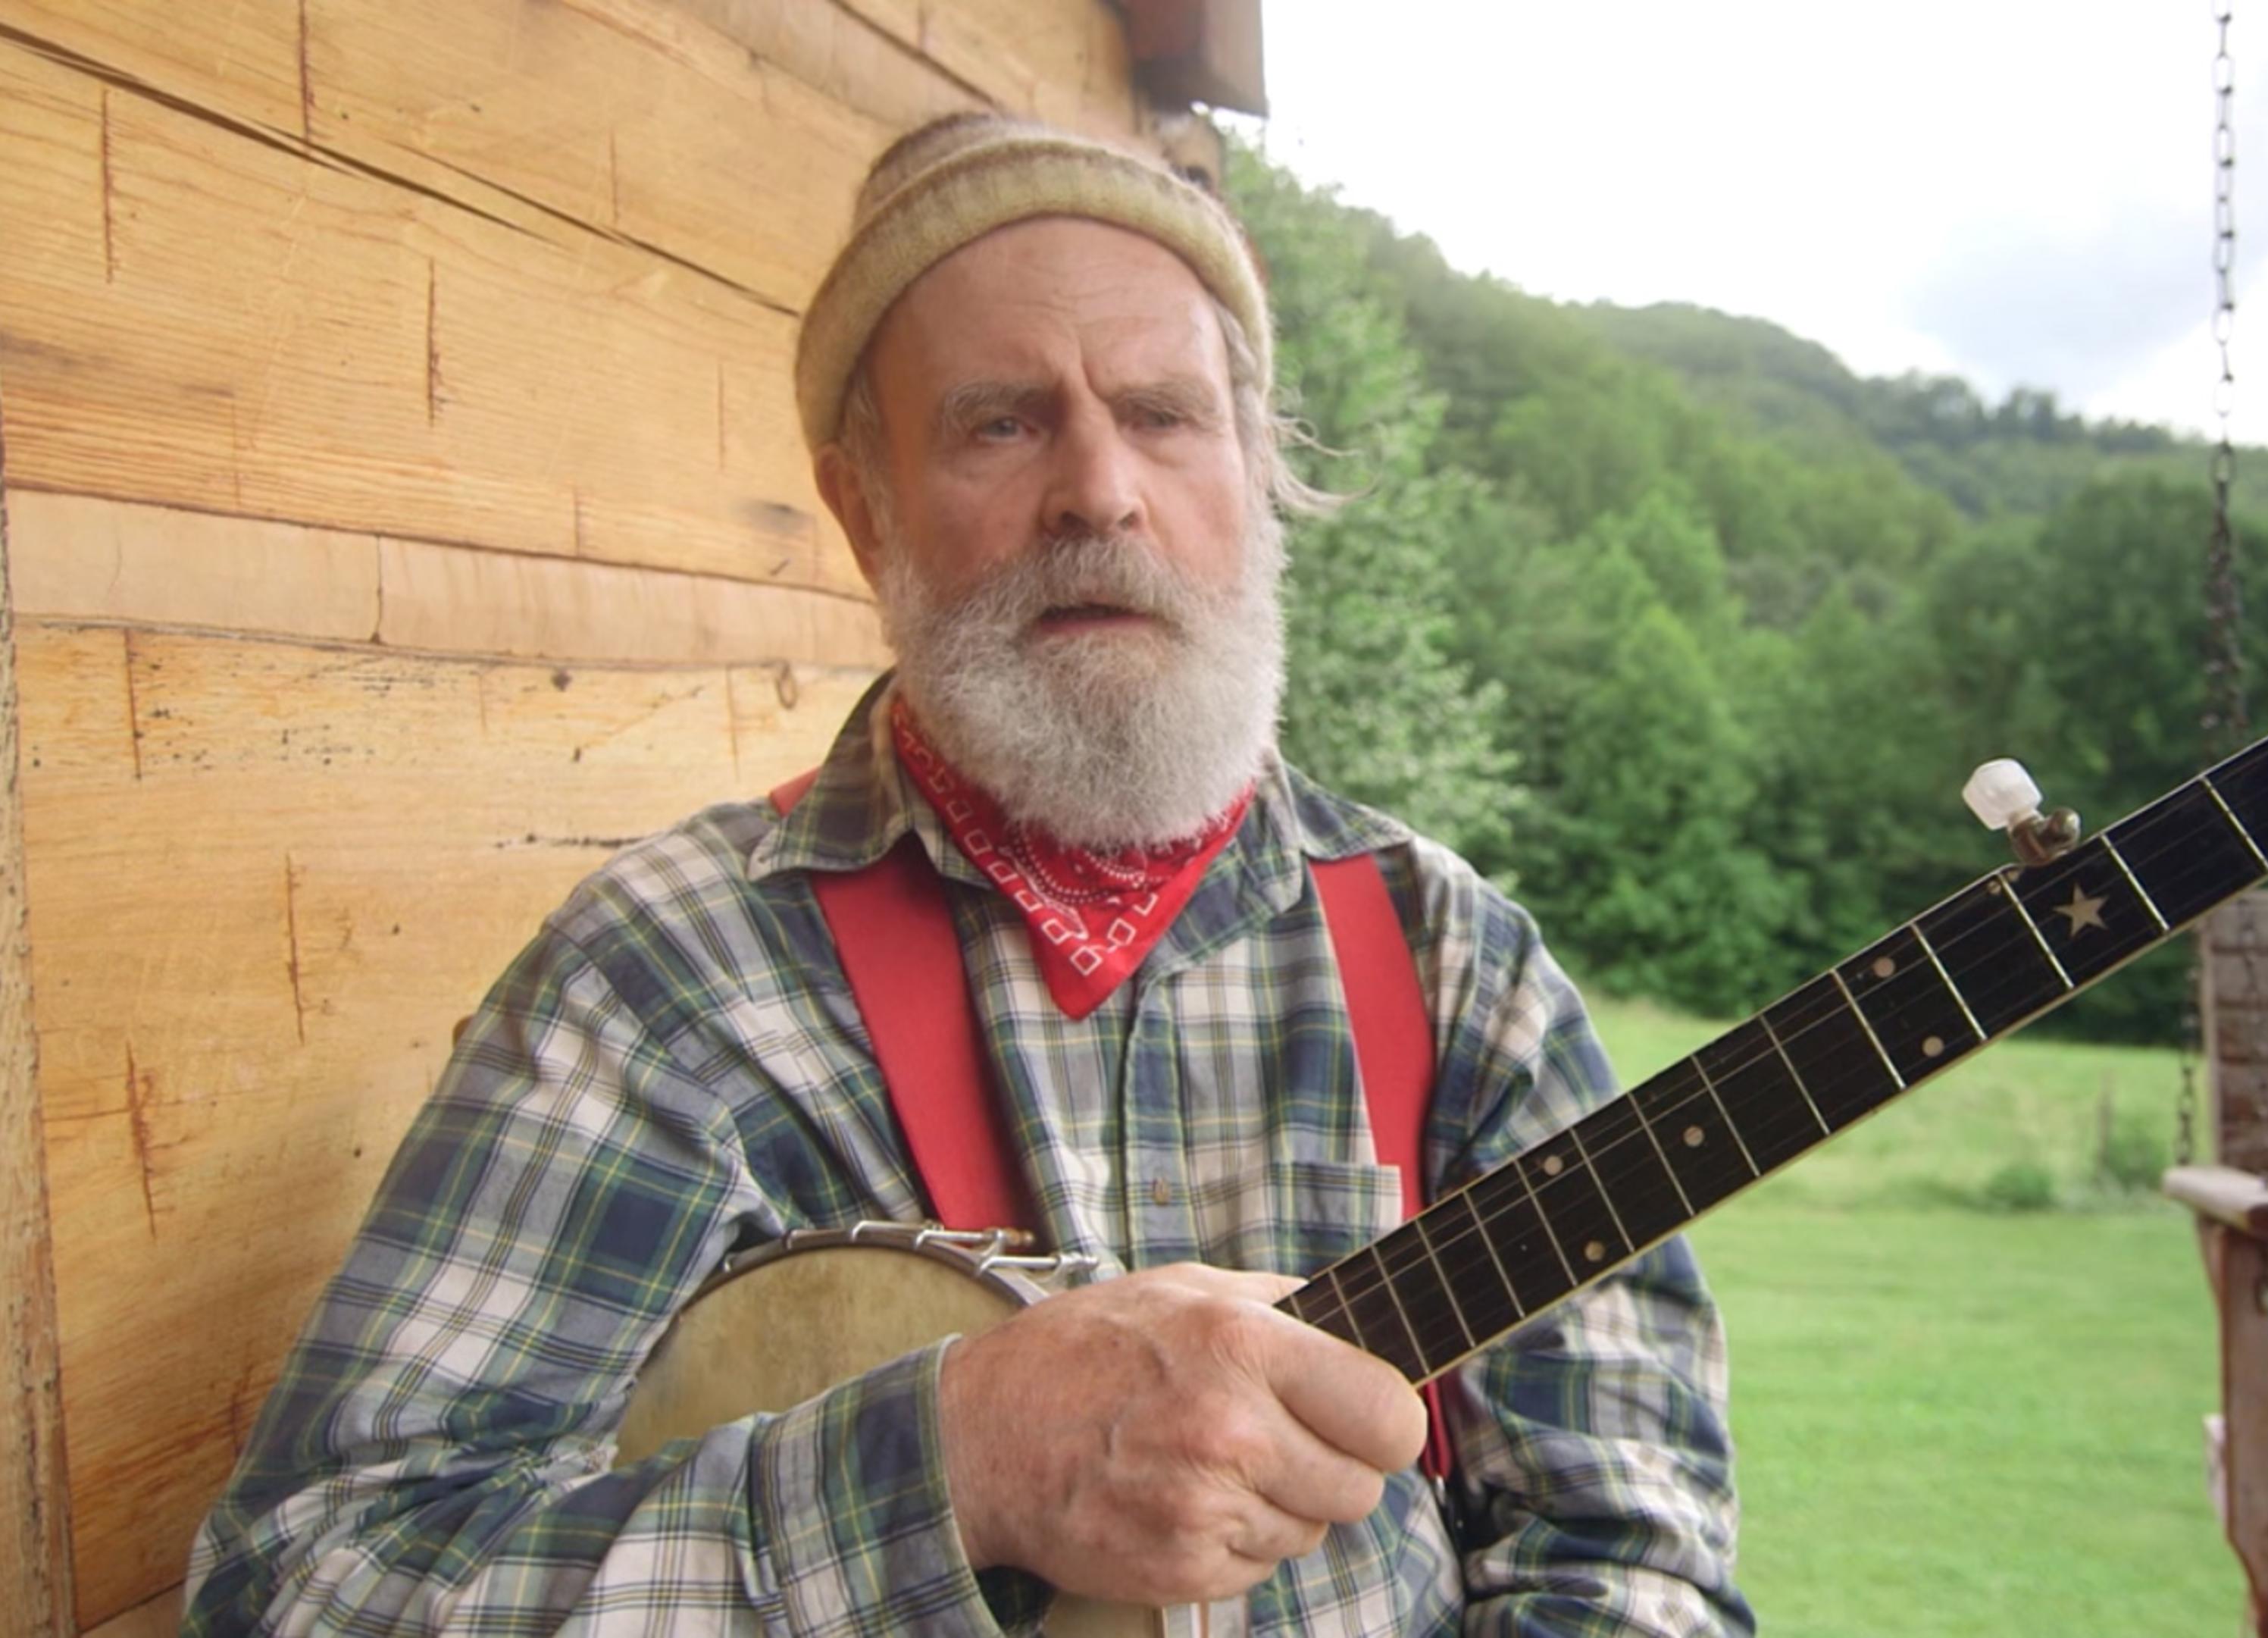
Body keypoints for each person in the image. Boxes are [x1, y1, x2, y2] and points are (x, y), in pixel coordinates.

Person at [182, 115, 1747, 1636]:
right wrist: (950, 1469)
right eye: (1001, 421)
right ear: (863, 509)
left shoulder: (1455, 962)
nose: (1100, 490)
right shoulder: (665, 979)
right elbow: (315, 1584)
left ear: (1253, 468)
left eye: (1164, 413)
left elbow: (1630, 1549)